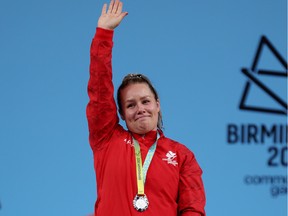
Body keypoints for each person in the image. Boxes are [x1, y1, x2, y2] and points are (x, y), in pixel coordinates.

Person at [86, 1, 206, 215]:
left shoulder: (181, 155)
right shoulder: (107, 139)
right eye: (130, 105)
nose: (140, 108)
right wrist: (104, 34)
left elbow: (192, 209)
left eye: (145, 101)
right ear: (121, 113)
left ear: (157, 105)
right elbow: (99, 88)